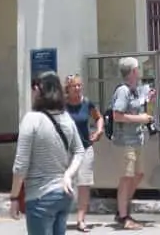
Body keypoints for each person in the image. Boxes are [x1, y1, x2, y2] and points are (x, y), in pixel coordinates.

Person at [10, 71, 85, 235]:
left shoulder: (31, 119)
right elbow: (79, 151)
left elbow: (20, 165)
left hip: (40, 196)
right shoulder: (66, 118)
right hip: (63, 194)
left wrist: (14, 197)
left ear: (38, 90)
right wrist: (68, 175)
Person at [111, 56, 156, 230]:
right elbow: (117, 115)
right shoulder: (123, 91)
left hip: (137, 139)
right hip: (126, 142)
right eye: (138, 68)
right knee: (126, 178)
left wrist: (148, 101)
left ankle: (122, 208)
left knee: (138, 175)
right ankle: (124, 216)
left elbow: (141, 111)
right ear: (134, 71)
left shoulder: (135, 90)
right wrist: (140, 118)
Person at [65, 74, 104, 232]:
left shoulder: (87, 103)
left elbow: (98, 117)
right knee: (63, 186)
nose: (78, 88)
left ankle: (81, 220)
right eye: (74, 86)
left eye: (79, 85)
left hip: (85, 148)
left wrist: (99, 130)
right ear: (68, 88)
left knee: (84, 185)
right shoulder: (62, 106)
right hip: (65, 150)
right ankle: (60, 217)